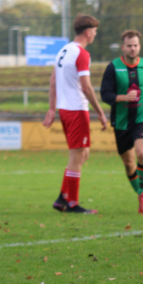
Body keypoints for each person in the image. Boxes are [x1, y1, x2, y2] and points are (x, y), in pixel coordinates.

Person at [43, 14, 108, 214]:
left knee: (83, 154)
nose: (95, 34)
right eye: (95, 31)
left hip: (65, 109)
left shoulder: (63, 50)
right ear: (88, 32)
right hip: (77, 109)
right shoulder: (82, 54)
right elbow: (87, 88)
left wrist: (52, 108)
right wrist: (101, 112)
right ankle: (72, 203)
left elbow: (53, 81)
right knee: (77, 155)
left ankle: (62, 197)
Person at [100, 30, 143, 214]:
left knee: (142, 153)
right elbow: (105, 94)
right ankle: (141, 193)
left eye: (135, 45)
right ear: (123, 47)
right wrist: (123, 97)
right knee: (128, 163)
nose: (132, 49)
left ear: (139, 47)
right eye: (129, 45)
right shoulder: (113, 67)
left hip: (141, 117)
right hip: (121, 121)